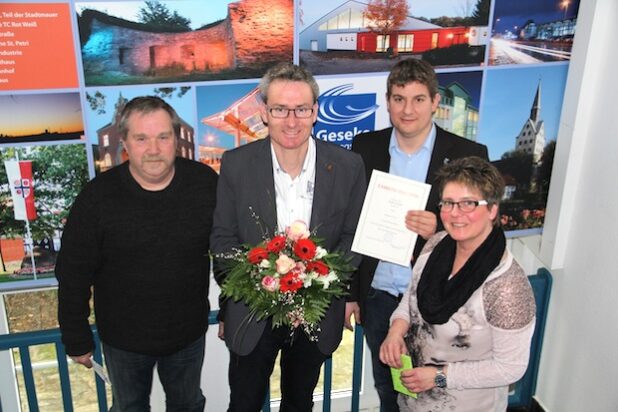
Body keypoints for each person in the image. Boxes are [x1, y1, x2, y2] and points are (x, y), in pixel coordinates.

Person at [210, 62, 366, 412]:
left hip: (315, 314)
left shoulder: (348, 165)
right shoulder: (236, 164)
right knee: (245, 403)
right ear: (264, 112)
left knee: (299, 403)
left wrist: (316, 284)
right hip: (253, 314)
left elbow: (354, 237)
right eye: (280, 109)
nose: (291, 120)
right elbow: (222, 240)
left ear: (315, 112)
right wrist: (261, 286)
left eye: (301, 109)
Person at [56, 96, 218, 412]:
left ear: (176, 138)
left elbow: (231, 253)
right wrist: (76, 337)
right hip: (123, 341)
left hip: (187, 334)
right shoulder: (97, 198)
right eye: (141, 138)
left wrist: (233, 309)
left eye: (163, 137)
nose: (153, 149)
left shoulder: (205, 184)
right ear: (125, 142)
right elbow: (73, 273)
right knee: (129, 408)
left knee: (188, 404)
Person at [350, 58, 489, 411]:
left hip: (439, 299)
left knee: (438, 394)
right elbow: (350, 222)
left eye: (417, 99)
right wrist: (351, 294)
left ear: (435, 102)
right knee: (389, 389)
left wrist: (440, 229)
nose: (407, 110)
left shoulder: (468, 155)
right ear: (387, 101)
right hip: (380, 296)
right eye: (398, 99)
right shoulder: (365, 148)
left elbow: (484, 229)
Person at [379, 156, 536, 411]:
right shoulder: (435, 245)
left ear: (492, 209)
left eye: (468, 204)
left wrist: (439, 376)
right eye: (448, 203)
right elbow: (411, 300)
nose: (454, 214)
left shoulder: (507, 287)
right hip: (413, 400)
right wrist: (396, 331)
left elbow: (511, 368)